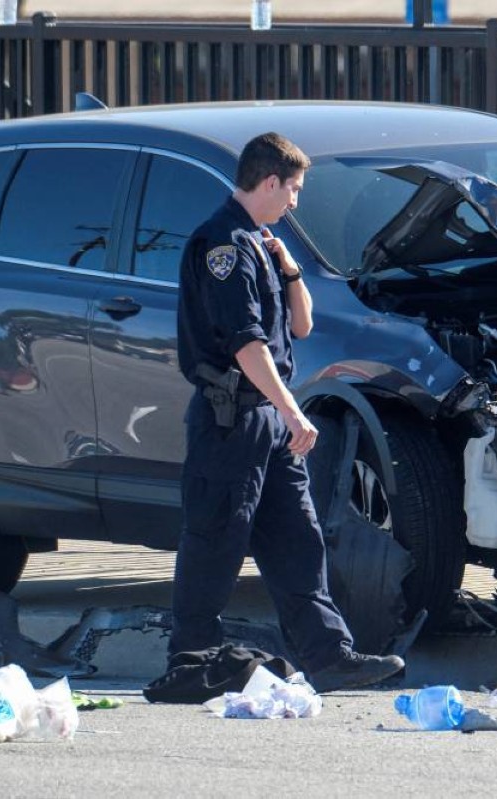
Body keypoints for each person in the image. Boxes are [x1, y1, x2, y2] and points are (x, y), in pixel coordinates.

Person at [165, 131, 404, 693]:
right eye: (294, 188)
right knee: (215, 541)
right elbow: (247, 346)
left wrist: (291, 271)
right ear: (270, 182)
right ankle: (190, 661)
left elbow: (301, 325)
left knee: (299, 540)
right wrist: (294, 412)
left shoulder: (260, 243)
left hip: (268, 421)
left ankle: (329, 657)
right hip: (231, 421)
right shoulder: (222, 245)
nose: (296, 200)